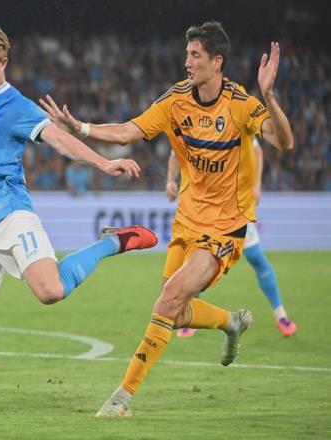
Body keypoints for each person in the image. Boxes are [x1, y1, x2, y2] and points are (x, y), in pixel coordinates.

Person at [40, 21, 294, 417]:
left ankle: (122, 397)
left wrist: (270, 94)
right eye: (187, 54)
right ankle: (231, 322)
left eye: (195, 55)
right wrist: (82, 128)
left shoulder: (241, 104)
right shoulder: (176, 100)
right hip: (187, 221)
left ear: (217, 61)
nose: (187, 62)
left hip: (225, 228)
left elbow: (284, 141)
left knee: (170, 298)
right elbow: (128, 131)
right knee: (172, 312)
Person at [0, 26, 158, 425]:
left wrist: (103, 162)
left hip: (12, 216)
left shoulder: (17, 106)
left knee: (50, 291)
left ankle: (113, 242)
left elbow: (59, 139)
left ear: (4, 64)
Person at [166, 138, 297, 338]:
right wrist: (170, 181)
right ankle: (189, 315)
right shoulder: (190, 124)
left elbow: (257, 150)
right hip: (202, 209)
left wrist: (256, 185)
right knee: (197, 261)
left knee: (255, 257)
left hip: (234, 206)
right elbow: (175, 153)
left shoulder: (233, 121)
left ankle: (281, 316)